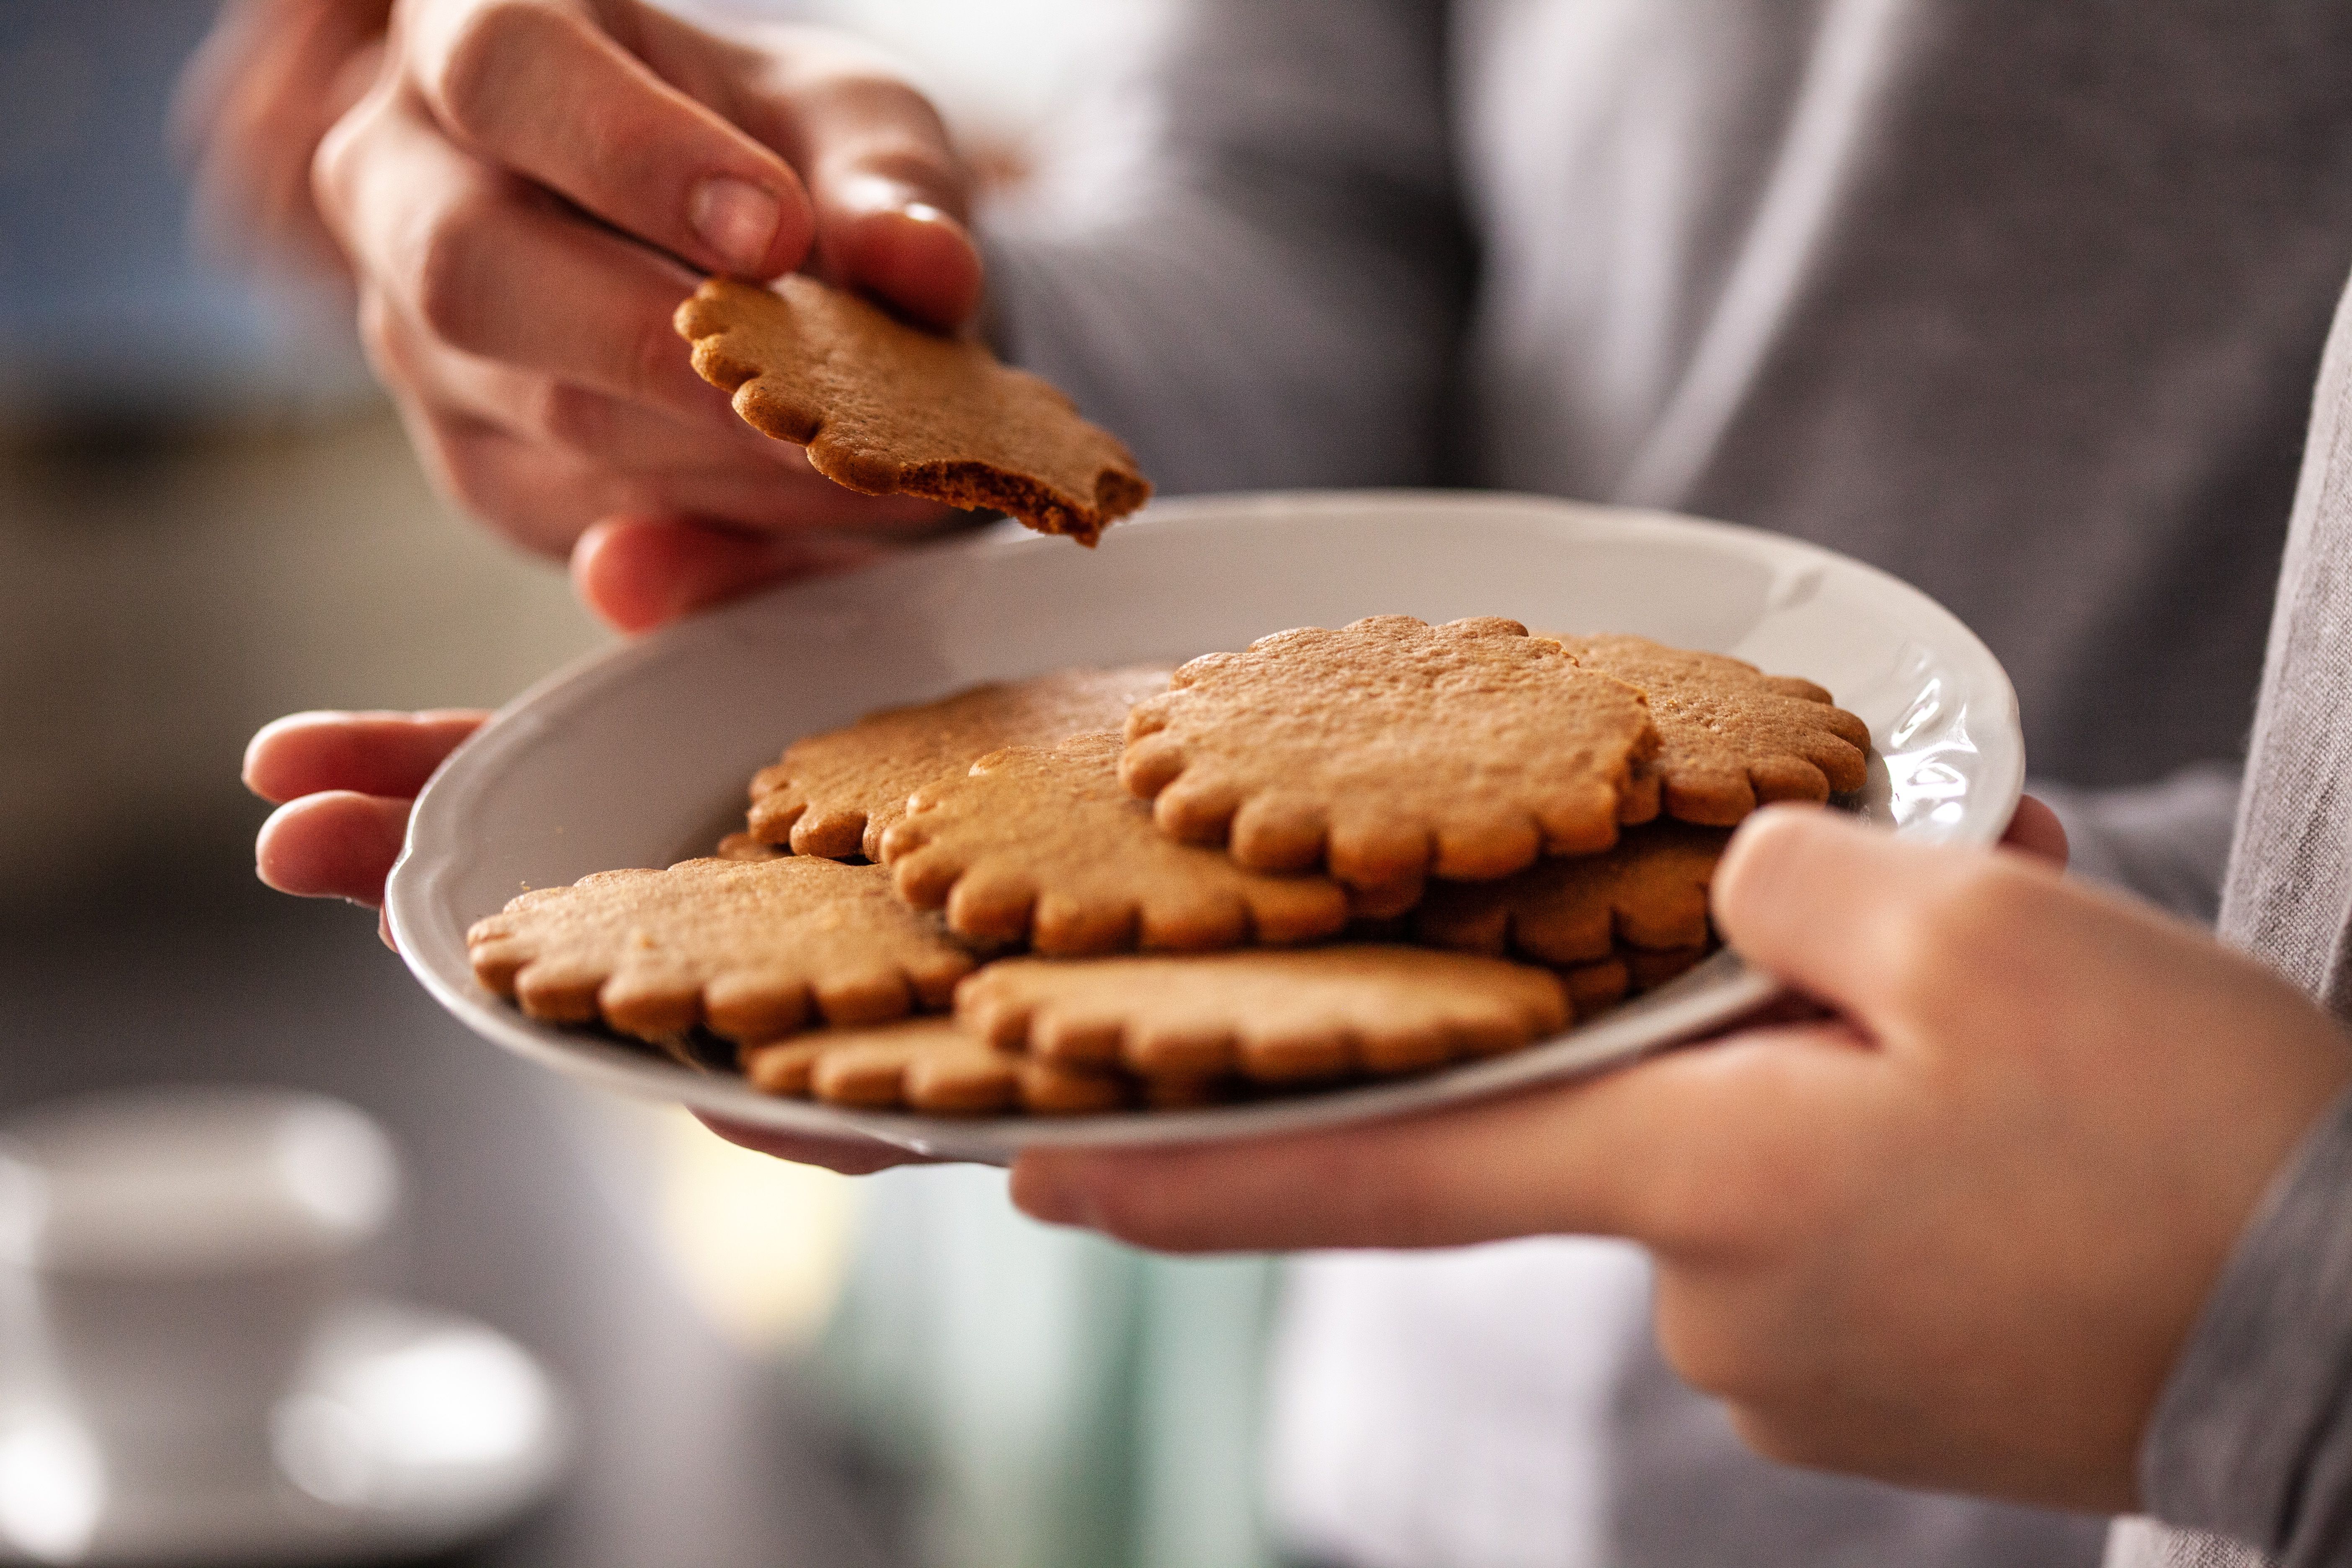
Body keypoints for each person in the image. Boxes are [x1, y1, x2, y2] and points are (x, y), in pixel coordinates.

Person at [199, 0, 2352, 1563]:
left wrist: (2286, 1295)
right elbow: (1325, 232)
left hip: (2153, 1452)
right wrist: (870, 353)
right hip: (1435, 1432)